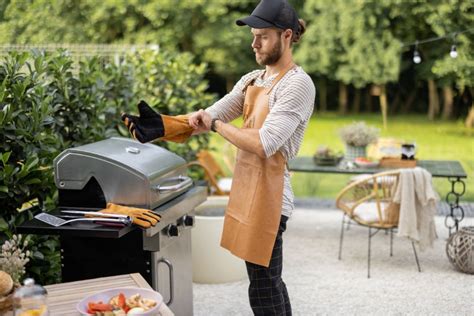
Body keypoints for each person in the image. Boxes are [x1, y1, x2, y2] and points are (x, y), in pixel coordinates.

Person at [189, 0, 315, 315]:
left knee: (262, 289)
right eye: (253, 35)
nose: (254, 43)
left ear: (287, 36)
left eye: (263, 36)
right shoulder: (251, 80)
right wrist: (162, 126)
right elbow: (208, 117)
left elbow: (265, 142)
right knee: (268, 283)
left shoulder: (297, 84)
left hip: (271, 198)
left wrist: (215, 125)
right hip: (249, 190)